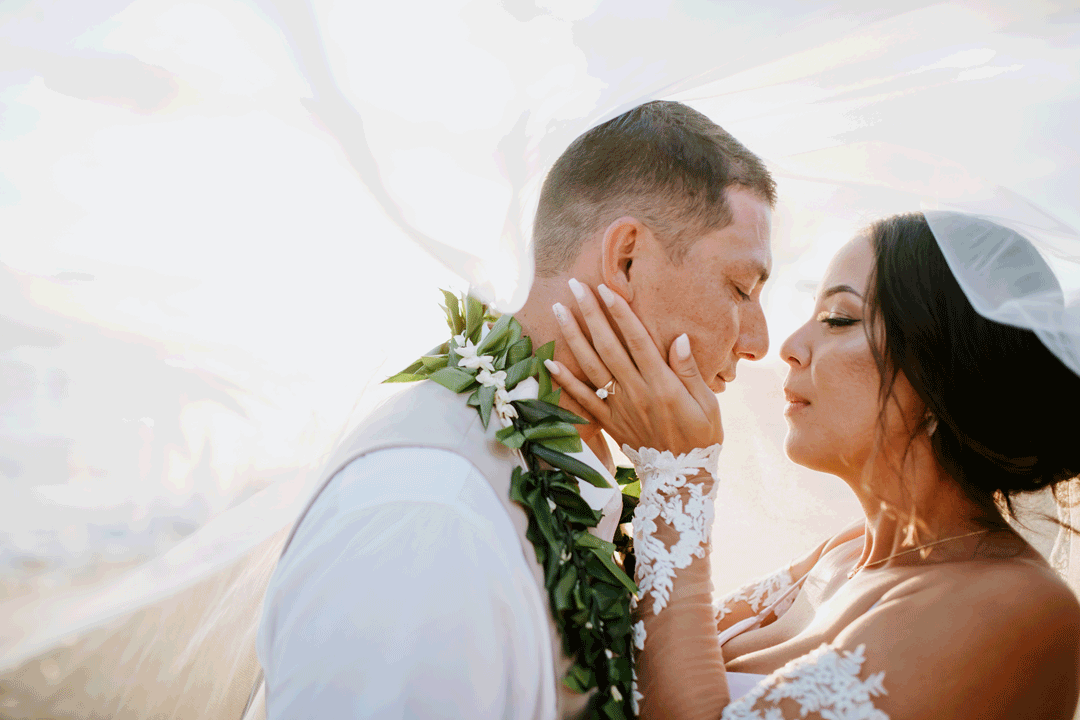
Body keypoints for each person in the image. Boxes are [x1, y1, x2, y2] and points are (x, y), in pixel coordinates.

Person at [253, 100, 776, 718]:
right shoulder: (427, 516)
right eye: (741, 288)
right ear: (627, 257)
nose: (760, 341)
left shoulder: (563, 477)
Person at [546, 211, 1080, 718]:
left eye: (839, 319)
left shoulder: (1020, 605)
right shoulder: (847, 552)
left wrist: (679, 478)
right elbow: (654, 652)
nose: (791, 347)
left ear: (942, 376)